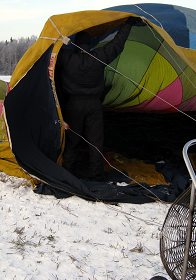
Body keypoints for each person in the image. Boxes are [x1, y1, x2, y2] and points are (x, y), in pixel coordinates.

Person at [57, 16, 142, 182]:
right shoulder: (98, 56)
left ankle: (68, 174)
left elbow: (51, 49)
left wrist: (62, 38)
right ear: (89, 45)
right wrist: (128, 24)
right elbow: (117, 45)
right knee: (96, 143)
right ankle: (97, 176)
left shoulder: (66, 58)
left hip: (73, 105)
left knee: (72, 141)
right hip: (94, 105)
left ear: (75, 45)